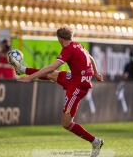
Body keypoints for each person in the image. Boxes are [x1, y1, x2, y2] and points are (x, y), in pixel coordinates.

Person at [8, 25, 104, 157]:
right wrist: (97, 74)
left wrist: (30, 78)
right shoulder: (78, 45)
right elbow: (91, 58)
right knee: (52, 75)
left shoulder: (68, 49)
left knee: (66, 123)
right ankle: (22, 69)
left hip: (78, 87)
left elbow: (51, 67)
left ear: (61, 40)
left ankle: (95, 142)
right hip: (74, 78)